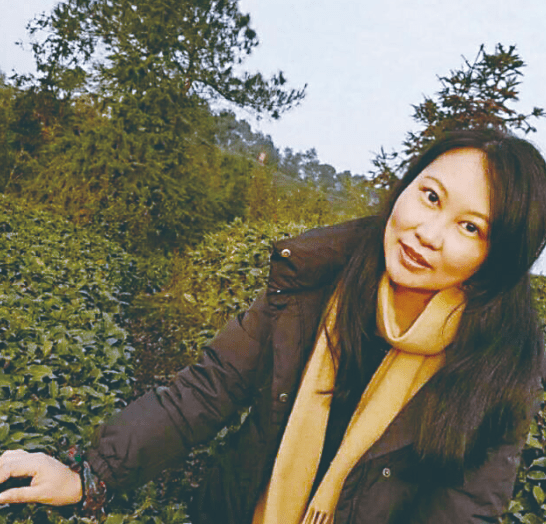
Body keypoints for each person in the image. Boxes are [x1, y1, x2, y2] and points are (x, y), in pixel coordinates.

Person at [0, 127, 545, 524]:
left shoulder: (500, 363)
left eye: (470, 227)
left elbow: (464, 508)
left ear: (499, 259)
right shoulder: (314, 282)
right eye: (430, 196)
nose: (429, 232)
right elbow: (207, 389)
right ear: (407, 187)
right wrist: (91, 475)